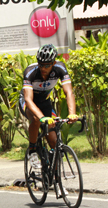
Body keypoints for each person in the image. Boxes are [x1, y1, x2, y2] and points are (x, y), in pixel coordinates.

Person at [19, 44, 78, 191]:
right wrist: (41, 117)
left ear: (53, 63)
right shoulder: (30, 72)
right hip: (29, 102)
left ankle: (56, 181)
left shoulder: (60, 69)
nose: (43, 68)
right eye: (40, 64)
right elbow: (28, 100)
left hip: (44, 102)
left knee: (54, 142)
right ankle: (32, 150)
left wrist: (72, 113)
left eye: (46, 65)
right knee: (37, 120)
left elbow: (69, 92)